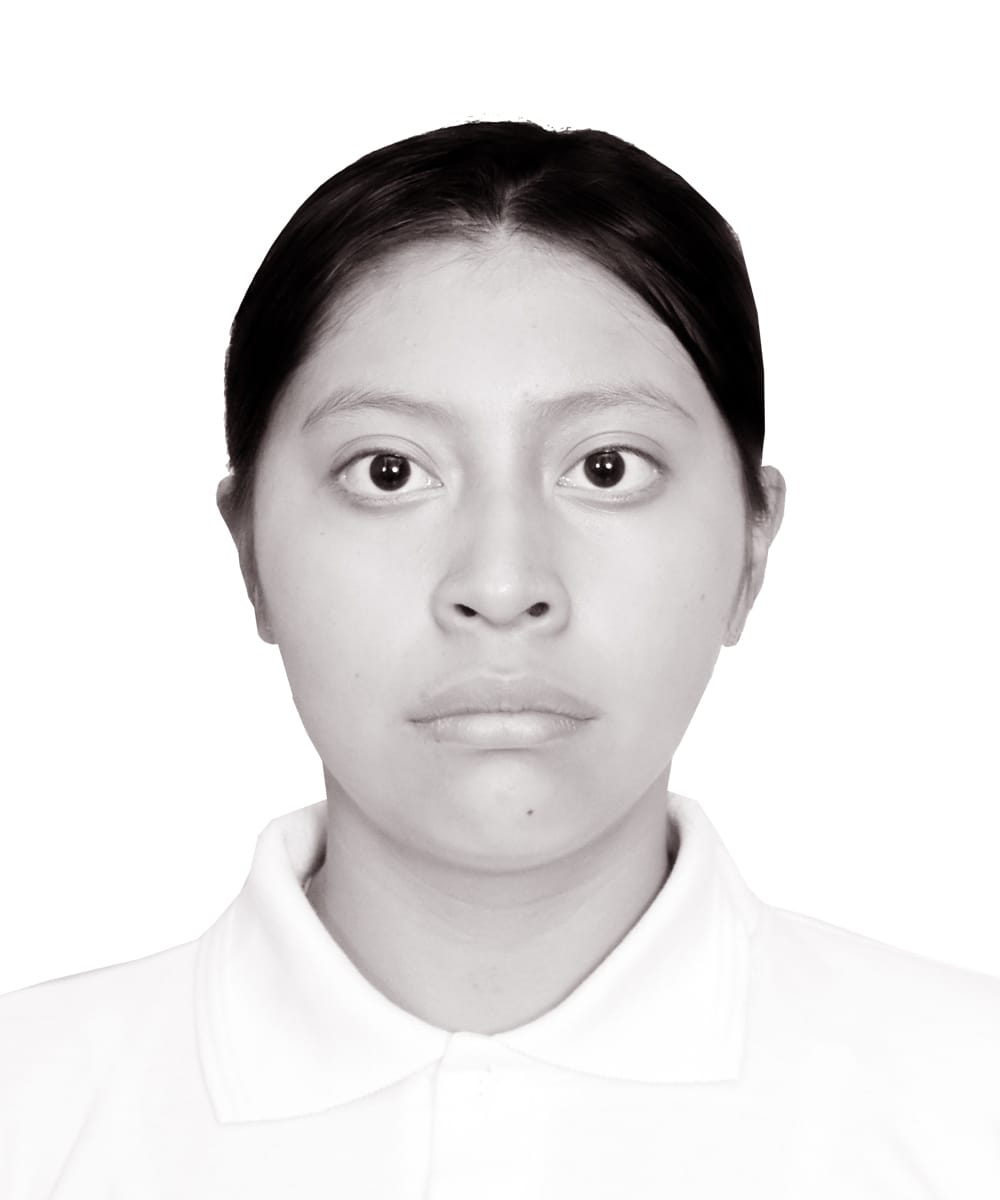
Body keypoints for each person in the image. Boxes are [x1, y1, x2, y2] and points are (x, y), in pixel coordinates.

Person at [1, 118, 997, 1198]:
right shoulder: (32, 1115)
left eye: (607, 468)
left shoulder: (967, 1110)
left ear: (753, 544)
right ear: (248, 550)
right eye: (388, 472)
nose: (503, 580)